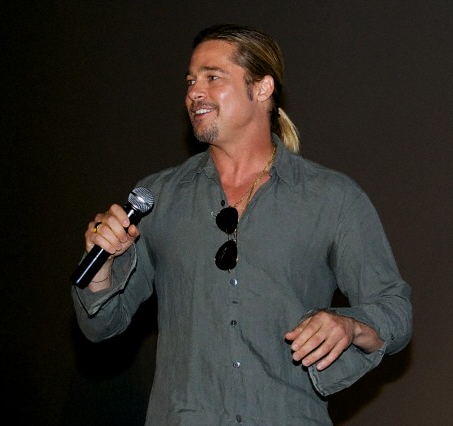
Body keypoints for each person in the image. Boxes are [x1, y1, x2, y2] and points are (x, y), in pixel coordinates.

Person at [71, 24, 412, 425]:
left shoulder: (330, 199)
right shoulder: (157, 198)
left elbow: (395, 311)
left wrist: (350, 326)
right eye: (191, 81)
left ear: (262, 89)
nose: (194, 92)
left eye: (213, 77)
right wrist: (102, 268)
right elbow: (100, 327)